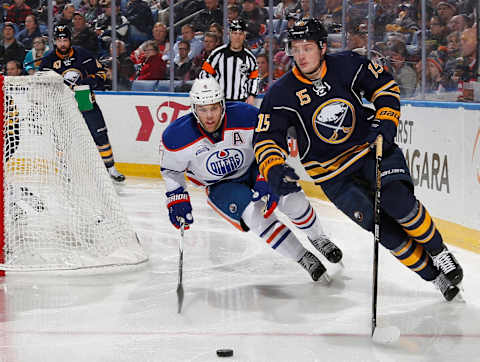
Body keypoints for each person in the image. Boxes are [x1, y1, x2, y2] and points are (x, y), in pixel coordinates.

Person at [252, 19, 464, 301]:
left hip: (370, 150)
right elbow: (267, 138)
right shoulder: (280, 93)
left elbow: (385, 88)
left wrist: (385, 122)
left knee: (397, 201)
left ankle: (439, 252)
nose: (300, 55)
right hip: (332, 175)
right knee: (385, 231)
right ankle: (434, 276)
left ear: (323, 47)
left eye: (307, 48)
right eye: (295, 49)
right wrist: (274, 167)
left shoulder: (348, 64)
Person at [160, 77, 343, 282]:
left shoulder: (246, 115)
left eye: (214, 108)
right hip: (220, 186)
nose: (209, 116)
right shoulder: (176, 136)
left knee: (290, 195)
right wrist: (176, 196)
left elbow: (272, 140)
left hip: (256, 167)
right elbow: (170, 170)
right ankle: (303, 257)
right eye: (203, 109)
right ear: (194, 108)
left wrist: (267, 175)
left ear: (222, 104)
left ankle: (319, 237)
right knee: (256, 216)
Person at [40, 25, 126, 183]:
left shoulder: (82, 54)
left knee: (99, 134)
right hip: (62, 101)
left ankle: (111, 168)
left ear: (70, 40)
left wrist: (85, 83)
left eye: (65, 40)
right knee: (62, 138)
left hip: (83, 96)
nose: (62, 44)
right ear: (54, 42)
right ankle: (64, 170)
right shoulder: (48, 60)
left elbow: (101, 72)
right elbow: (40, 83)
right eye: (59, 41)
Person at [199, 19, 259, 104]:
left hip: (241, 103)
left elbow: (254, 78)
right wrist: (210, 92)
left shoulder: (250, 58)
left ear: (244, 36)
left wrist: (252, 95)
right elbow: (204, 73)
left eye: (240, 34)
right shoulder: (217, 54)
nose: (237, 37)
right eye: (235, 33)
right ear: (230, 34)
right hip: (219, 103)